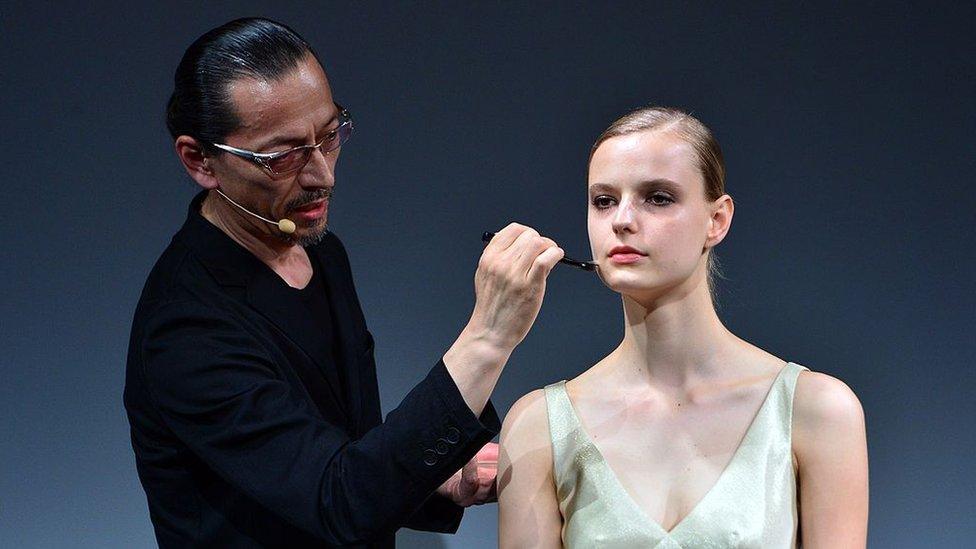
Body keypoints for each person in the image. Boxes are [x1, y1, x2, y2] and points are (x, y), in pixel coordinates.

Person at [124, 18, 565, 548]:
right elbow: (339, 502)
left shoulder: (321, 254)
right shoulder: (185, 327)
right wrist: (489, 334)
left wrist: (438, 477)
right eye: (281, 156)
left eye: (330, 136)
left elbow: (342, 450)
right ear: (200, 160)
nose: (322, 175)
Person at [498, 107, 869, 547]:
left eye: (657, 197)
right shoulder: (539, 425)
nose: (622, 220)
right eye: (604, 200)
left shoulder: (817, 412)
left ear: (717, 220)